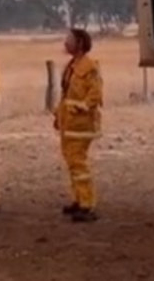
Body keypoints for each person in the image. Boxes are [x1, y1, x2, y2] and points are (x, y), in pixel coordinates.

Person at [54, 28, 103, 223]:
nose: (66, 42)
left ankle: (87, 204)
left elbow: (95, 95)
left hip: (81, 126)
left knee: (79, 164)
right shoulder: (71, 66)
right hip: (68, 125)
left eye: (70, 39)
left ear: (80, 44)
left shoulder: (90, 67)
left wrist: (80, 108)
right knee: (72, 164)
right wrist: (59, 116)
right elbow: (66, 94)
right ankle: (78, 199)